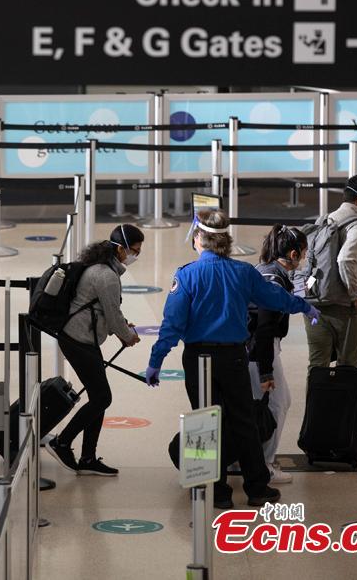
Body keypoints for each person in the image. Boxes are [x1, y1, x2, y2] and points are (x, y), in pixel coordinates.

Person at [145, 209, 320, 509]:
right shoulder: (243, 272)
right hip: (234, 357)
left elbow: (172, 324)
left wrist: (156, 360)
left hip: (199, 359)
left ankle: (214, 490)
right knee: (244, 420)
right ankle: (257, 488)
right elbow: (275, 297)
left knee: (204, 421)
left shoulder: (186, 275)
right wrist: (305, 307)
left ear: (199, 239)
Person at [46, 225, 143, 476]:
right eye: (134, 251)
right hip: (78, 340)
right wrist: (127, 335)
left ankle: (88, 457)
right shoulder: (106, 275)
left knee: (98, 396)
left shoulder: (100, 267)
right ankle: (62, 442)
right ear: (120, 249)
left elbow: (103, 310)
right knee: (102, 398)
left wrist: (121, 329)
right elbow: (113, 315)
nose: (135, 256)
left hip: (81, 338)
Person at [246, 225, 309, 485]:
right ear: (293, 254)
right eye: (302, 254)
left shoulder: (264, 270)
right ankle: (264, 464)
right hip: (259, 349)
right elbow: (264, 326)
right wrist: (266, 371)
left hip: (249, 347)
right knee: (278, 403)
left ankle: (248, 459)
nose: (303, 259)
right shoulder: (274, 279)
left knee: (257, 404)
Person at [303, 174, 357, 371]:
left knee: (317, 366)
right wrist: (356, 294)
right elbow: (345, 259)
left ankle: (316, 394)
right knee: (347, 367)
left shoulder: (324, 219)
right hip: (344, 309)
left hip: (314, 304)